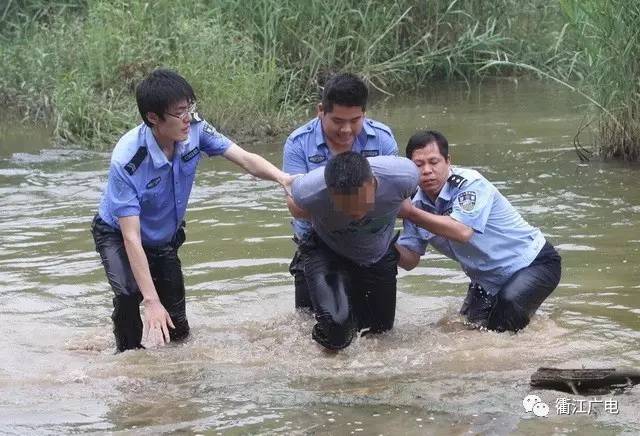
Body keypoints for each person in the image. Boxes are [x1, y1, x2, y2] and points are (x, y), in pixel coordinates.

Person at [91, 69, 292, 352]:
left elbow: (244, 158)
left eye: (190, 108)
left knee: (179, 330)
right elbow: (131, 238)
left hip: (162, 237)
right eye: (179, 113)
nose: (188, 118)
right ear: (153, 117)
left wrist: (282, 178)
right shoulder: (128, 160)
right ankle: (127, 360)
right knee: (129, 294)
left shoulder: (196, 129)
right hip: (118, 234)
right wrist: (150, 301)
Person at [395, 130, 562, 332]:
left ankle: (551, 339)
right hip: (486, 279)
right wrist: (382, 243)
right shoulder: (415, 205)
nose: (427, 170)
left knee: (502, 323)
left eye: (434, 162)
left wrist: (410, 213)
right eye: (418, 165)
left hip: (534, 263)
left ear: (448, 161)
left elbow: (462, 231)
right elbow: (411, 259)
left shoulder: (469, 184)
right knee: (464, 329)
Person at [283, 72, 398, 309]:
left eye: (355, 120)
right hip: (317, 244)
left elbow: (394, 196)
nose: (346, 130)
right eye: (337, 121)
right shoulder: (298, 144)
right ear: (320, 110)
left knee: (380, 335)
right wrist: (351, 205)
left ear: (364, 114)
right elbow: (295, 206)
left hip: (371, 242)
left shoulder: (383, 140)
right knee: (319, 329)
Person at [288, 151, 418, 350]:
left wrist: (413, 244)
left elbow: (412, 206)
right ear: (329, 193)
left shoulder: (404, 176)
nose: (356, 214)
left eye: (362, 203)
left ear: (372, 183)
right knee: (337, 331)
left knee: (380, 336)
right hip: (328, 248)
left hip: (377, 251)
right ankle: (318, 351)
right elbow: (293, 202)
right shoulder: (308, 190)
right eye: (346, 207)